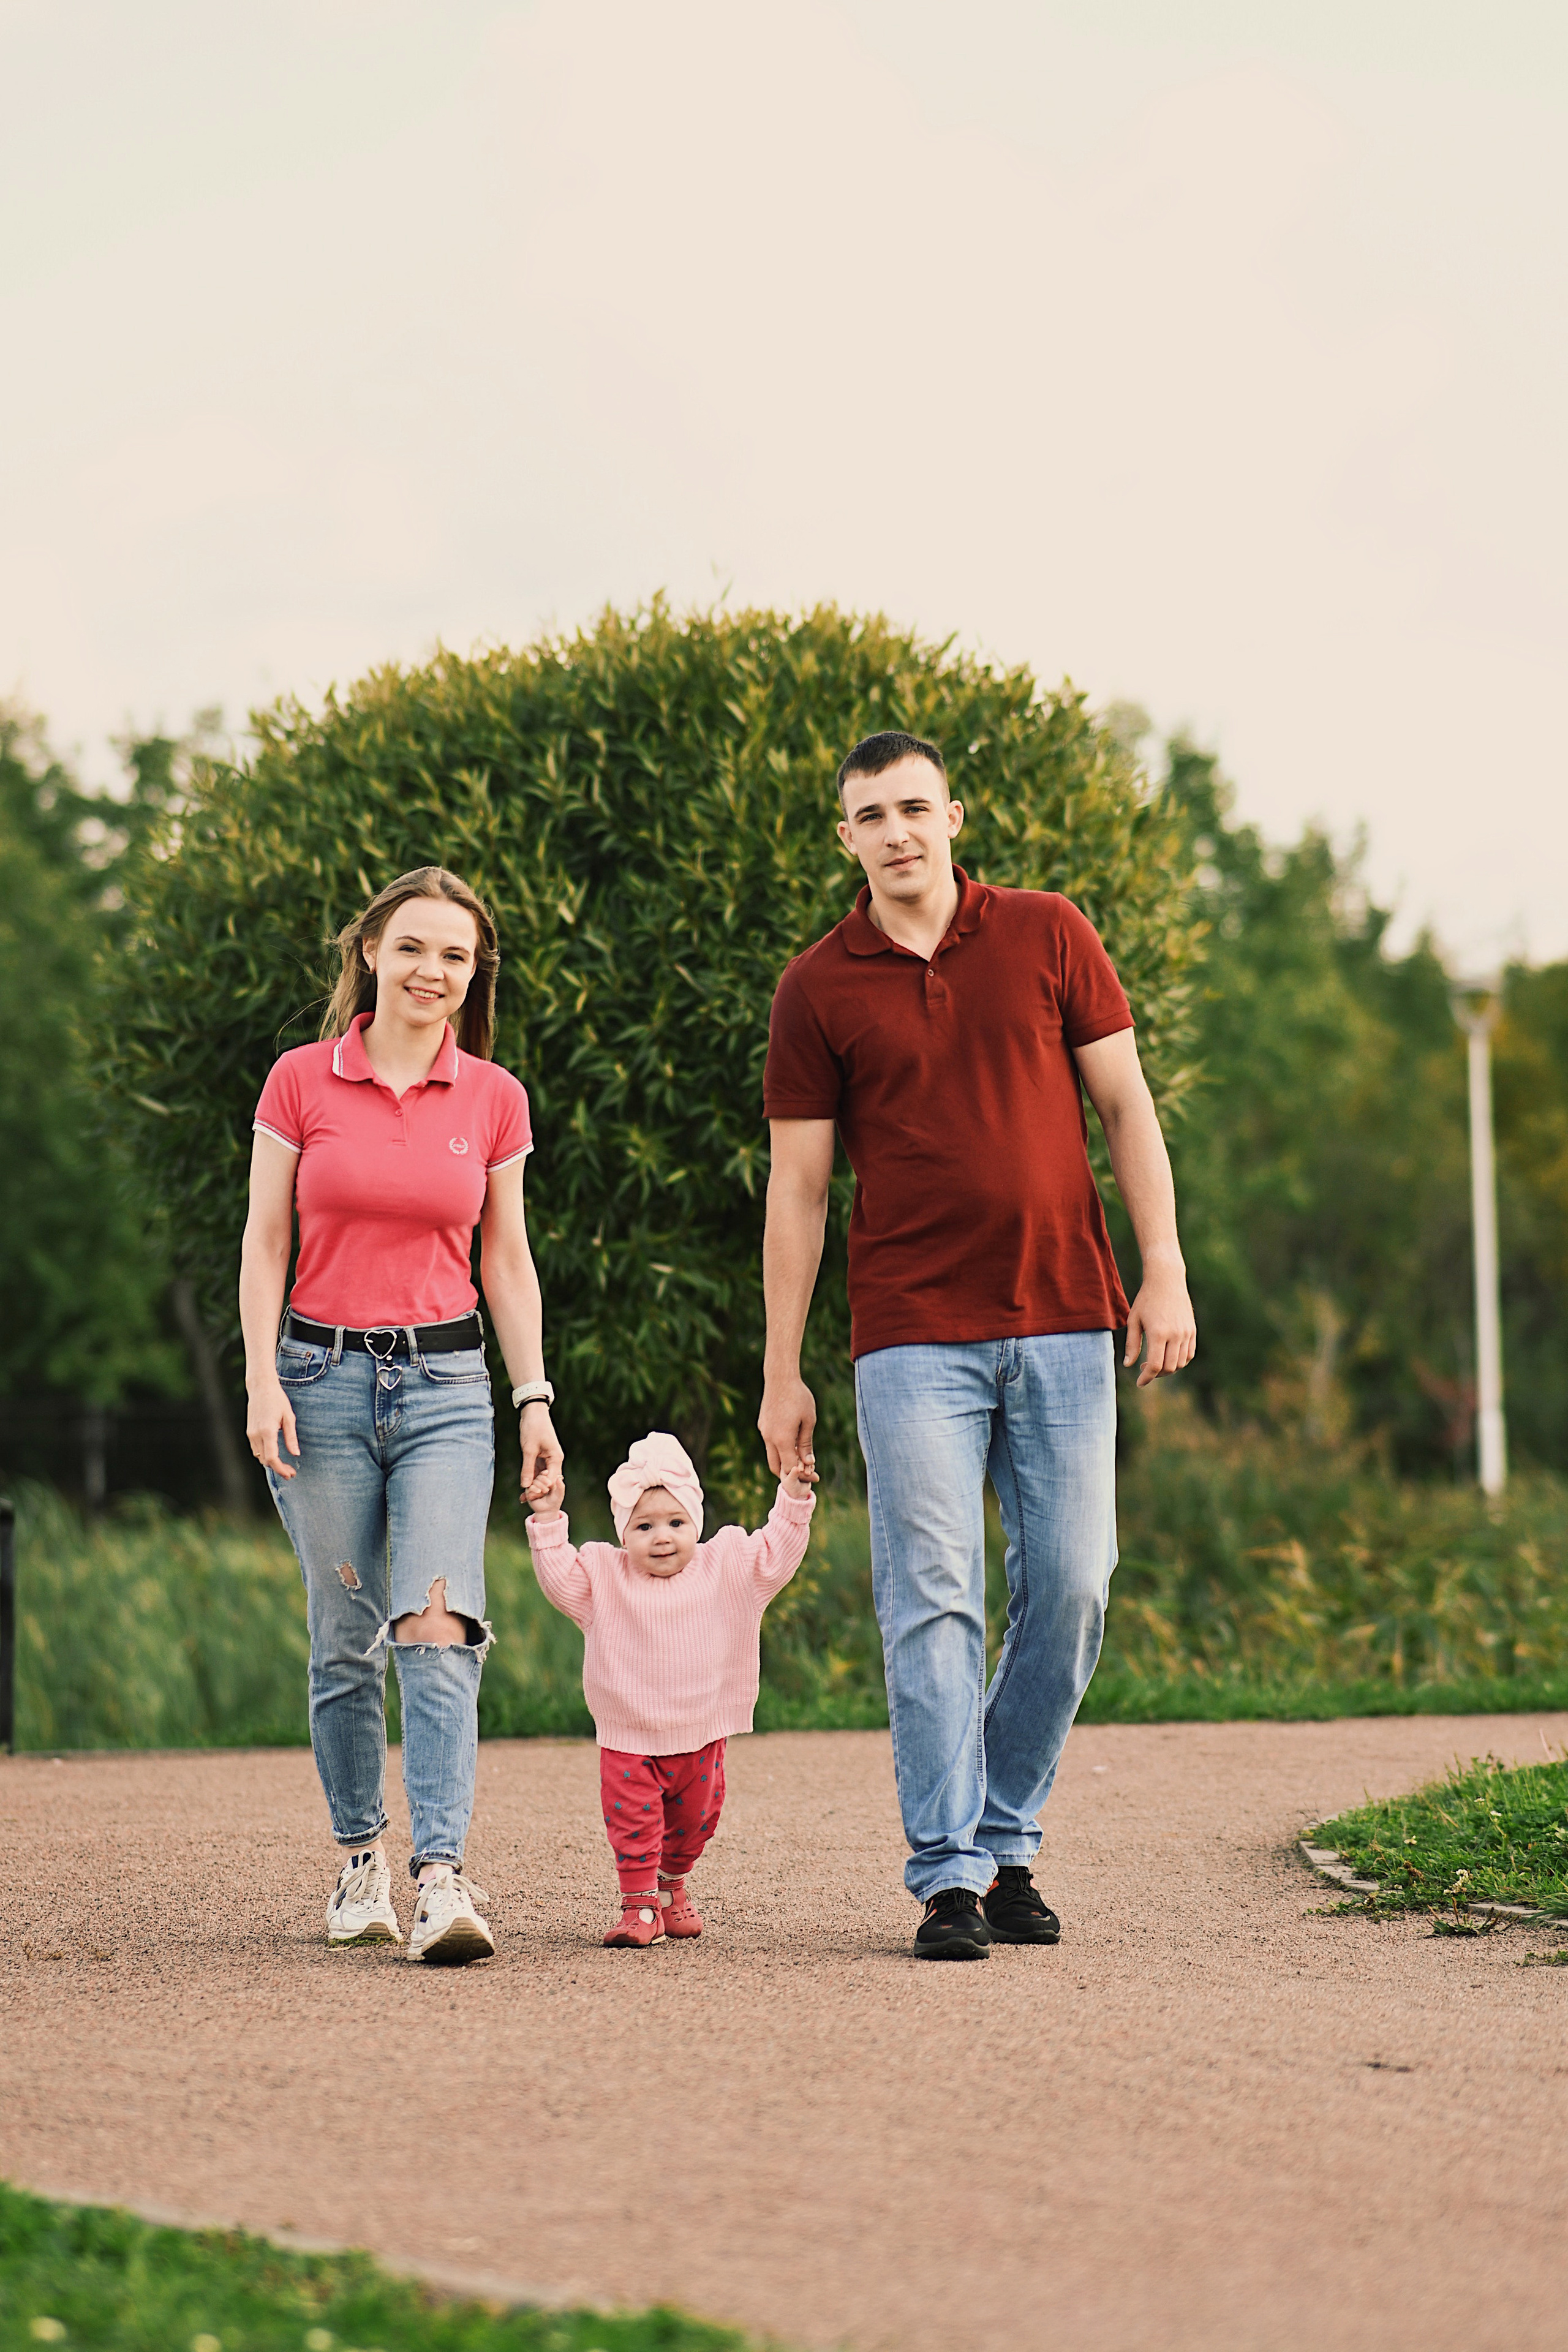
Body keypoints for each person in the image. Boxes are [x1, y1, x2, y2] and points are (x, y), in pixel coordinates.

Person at [759, 733, 1196, 1960]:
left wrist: (1160, 1272)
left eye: (911, 807)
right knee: (930, 1598)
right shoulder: (816, 988)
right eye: (868, 816)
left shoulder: (1047, 933)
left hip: (1063, 1311)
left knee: (1071, 1583)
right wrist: (779, 1369)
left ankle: (1005, 1836)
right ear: (844, 837)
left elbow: (1123, 1106)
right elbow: (796, 1192)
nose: (895, 831)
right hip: (907, 1335)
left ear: (952, 814)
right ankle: (950, 1874)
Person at [239, 865, 563, 1964]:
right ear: (370, 951)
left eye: (457, 957)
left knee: (438, 1619)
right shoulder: (299, 1080)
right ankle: (360, 1862)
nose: (434, 972)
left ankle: (441, 1877)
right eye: (415, 947)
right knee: (344, 1637)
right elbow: (265, 1242)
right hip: (318, 1382)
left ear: (476, 978)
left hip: (446, 1390)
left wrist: (534, 1398)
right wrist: (259, 1377)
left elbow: (507, 1259)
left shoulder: (495, 1097)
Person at [526, 1431, 816, 1947]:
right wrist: (549, 1519)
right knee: (633, 1824)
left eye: (676, 1523)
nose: (662, 1536)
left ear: (695, 1523)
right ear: (623, 1532)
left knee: (696, 1823)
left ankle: (671, 1887)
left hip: (701, 1732)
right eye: (644, 1526)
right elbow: (558, 1578)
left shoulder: (726, 1565)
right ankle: (638, 1906)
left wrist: (793, 1497)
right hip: (629, 1736)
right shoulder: (605, 1577)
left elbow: (777, 1551)